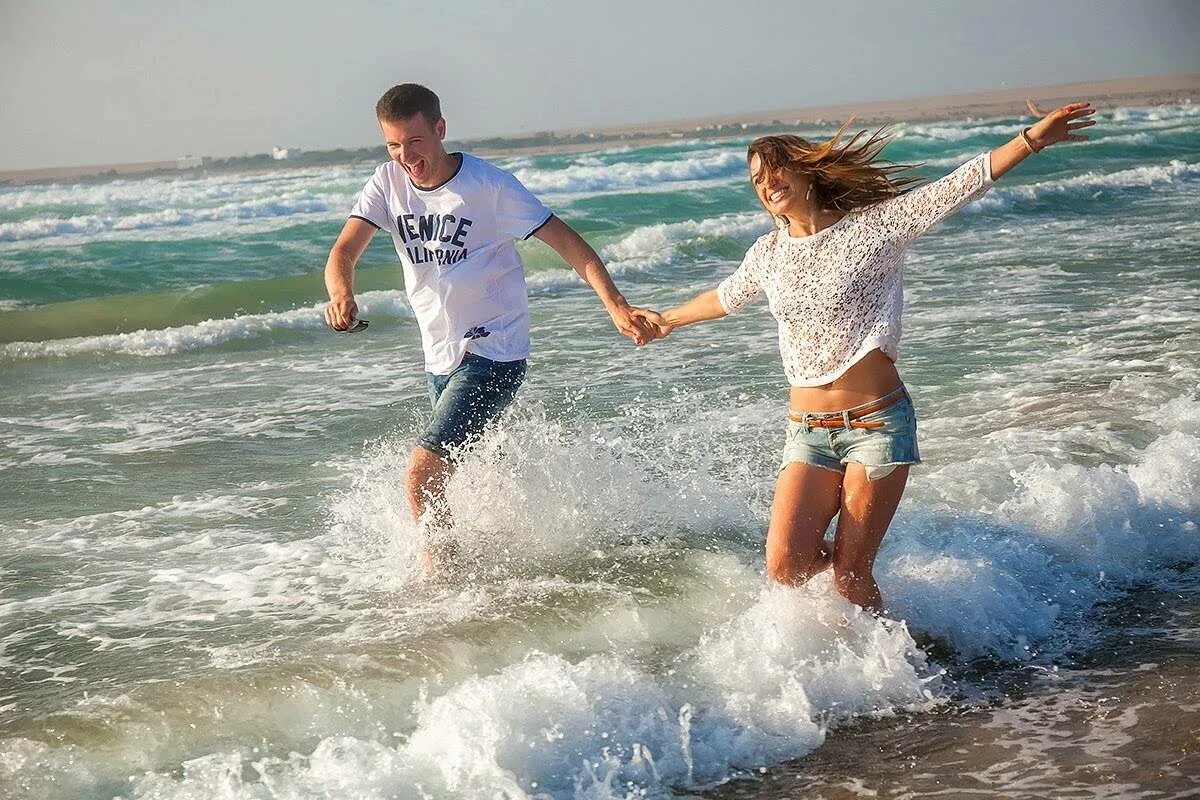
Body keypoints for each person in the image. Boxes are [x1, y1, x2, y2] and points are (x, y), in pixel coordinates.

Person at [634, 102, 1097, 612]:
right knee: (785, 564)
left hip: (877, 426)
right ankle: (895, 634)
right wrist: (667, 319)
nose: (767, 184)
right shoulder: (767, 252)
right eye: (757, 180)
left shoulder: (875, 228)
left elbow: (958, 186)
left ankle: (905, 673)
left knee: (852, 573)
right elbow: (726, 296)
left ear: (806, 170)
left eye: (776, 170)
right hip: (806, 430)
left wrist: (1032, 138)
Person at [324, 83, 653, 559]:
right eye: (394, 145)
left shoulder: (488, 186)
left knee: (421, 473)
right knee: (466, 473)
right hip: (440, 356)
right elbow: (344, 251)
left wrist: (616, 305)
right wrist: (341, 293)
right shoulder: (386, 183)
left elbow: (568, 243)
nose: (406, 156)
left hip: (493, 352)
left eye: (415, 142)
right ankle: (514, 556)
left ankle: (443, 582)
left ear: (440, 129)